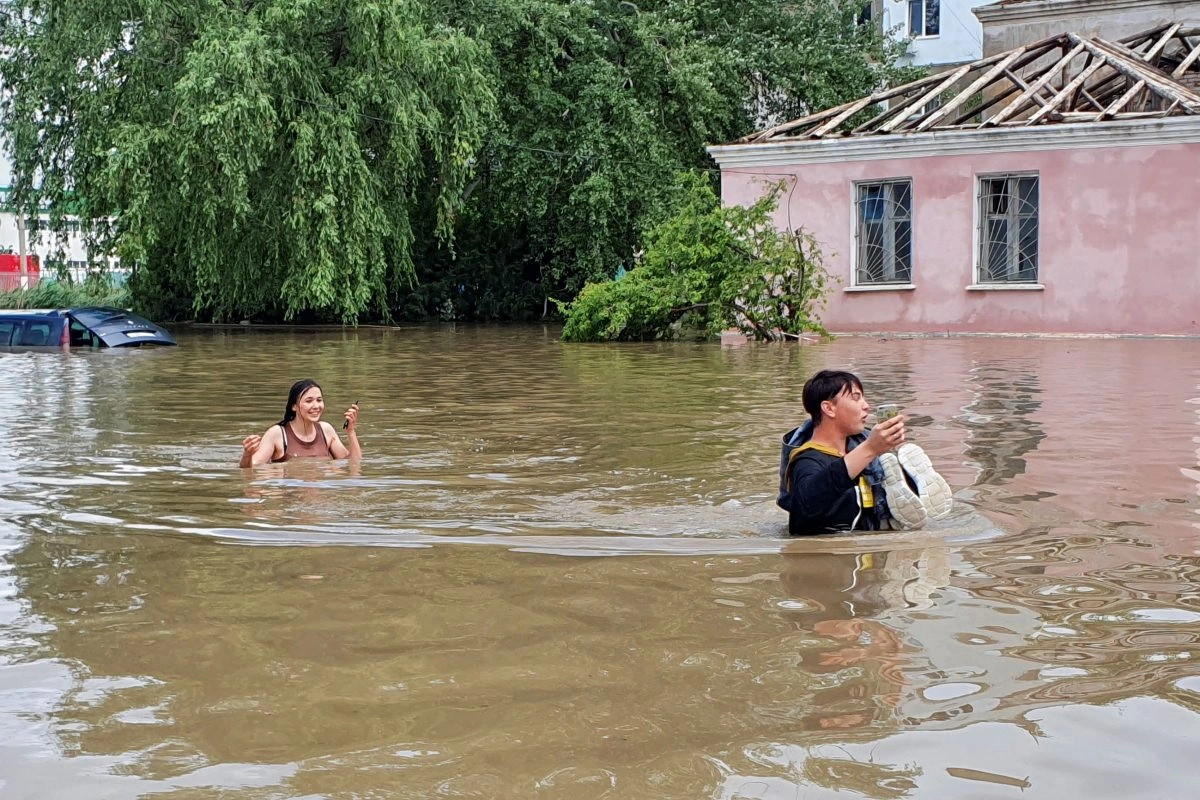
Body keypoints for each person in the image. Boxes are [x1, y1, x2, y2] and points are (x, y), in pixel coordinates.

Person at [777, 370, 952, 535]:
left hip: (867, 550)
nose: (866, 406)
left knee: (884, 482)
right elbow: (806, 503)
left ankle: (907, 496)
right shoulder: (807, 460)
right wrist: (870, 449)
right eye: (855, 398)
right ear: (829, 408)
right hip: (834, 558)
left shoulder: (860, 452)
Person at [240, 379, 361, 466]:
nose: (316, 406)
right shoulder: (277, 434)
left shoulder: (326, 430)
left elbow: (354, 463)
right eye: (309, 401)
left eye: (319, 400)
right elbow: (251, 469)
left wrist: (351, 431)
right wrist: (247, 455)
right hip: (291, 496)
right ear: (294, 406)